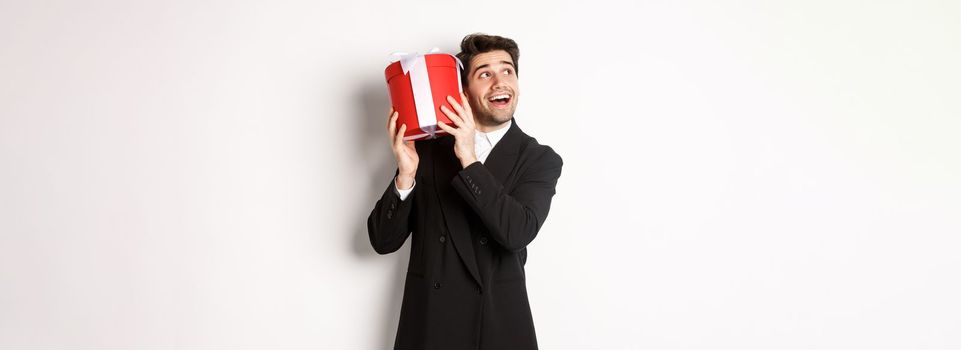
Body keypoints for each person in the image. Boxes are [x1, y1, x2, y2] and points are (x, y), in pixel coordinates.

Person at [367, 33, 563, 350]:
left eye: (507, 70)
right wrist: (405, 174)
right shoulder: (427, 152)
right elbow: (382, 242)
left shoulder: (539, 159)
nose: (500, 82)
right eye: (484, 73)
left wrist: (468, 158)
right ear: (464, 91)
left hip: (497, 328)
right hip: (430, 325)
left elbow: (516, 232)